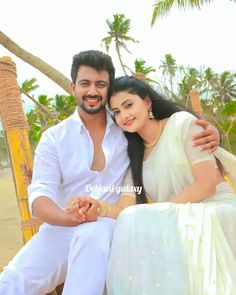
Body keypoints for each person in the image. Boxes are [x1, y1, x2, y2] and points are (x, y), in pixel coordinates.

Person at [0, 51, 220, 295]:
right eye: (85, 83)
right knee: (11, 282)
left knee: (91, 235)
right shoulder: (54, 138)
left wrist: (212, 131)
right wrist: (68, 218)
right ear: (73, 87)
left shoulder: (126, 127)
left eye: (100, 84)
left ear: (108, 89)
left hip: (109, 224)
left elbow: (164, 131)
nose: (92, 91)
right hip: (63, 223)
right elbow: (40, 196)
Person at [105, 76, 236, 295]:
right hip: (174, 218)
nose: (124, 115)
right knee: (130, 219)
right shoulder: (135, 156)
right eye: (116, 112)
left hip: (214, 207)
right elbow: (124, 208)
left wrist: (160, 211)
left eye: (128, 105)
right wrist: (96, 208)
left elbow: (206, 185)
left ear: (147, 102)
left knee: (149, 220)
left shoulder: (182, 124)